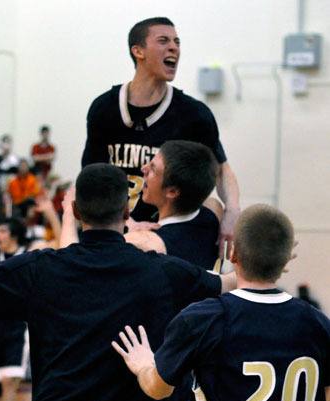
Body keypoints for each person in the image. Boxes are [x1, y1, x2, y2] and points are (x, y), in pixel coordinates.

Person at [0, 163, 235, 401]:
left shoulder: (39, 271)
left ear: (74, 210)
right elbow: (227, 284)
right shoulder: (162, 271)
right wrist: (259, 257)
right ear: (127, 211)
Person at [114, 204, 330, 401]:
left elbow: (158, 389)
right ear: (286, 260)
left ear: (233, 253)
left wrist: (143, 365)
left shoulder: (203, 319)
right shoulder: (319, 323)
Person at [82, 17, 240, 258]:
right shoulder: (104, 108)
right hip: (116, 227)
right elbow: (90, 181)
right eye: (163, 41)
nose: (174, 47)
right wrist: (127, 225)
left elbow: (220, 169)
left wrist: (233, 210)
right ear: (138, 51)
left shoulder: (194, 114)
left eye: (177, 42)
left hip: (169, 228)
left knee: (213, 208)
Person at [125, 140, 222, 270]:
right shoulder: (213, 215)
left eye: (152, 169)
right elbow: (213, 202)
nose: (144, 168)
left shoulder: (151, 245)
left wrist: (125, 222)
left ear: (172, 191)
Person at [0, 218, 29, 401]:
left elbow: (61, 242)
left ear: (14, 232)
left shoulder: (27, 251)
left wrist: (51, 214)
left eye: (3, 231)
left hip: (16, 323)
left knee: (8, 378)